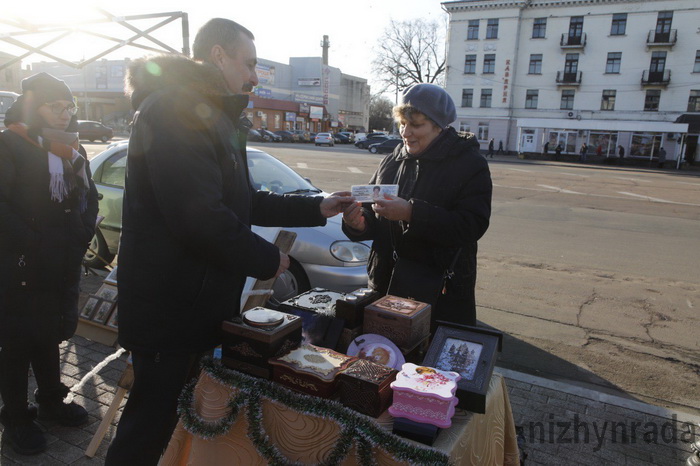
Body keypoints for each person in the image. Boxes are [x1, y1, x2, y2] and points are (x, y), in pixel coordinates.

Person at [104, 18, 353, 465]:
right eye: (250, 63)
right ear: (218, 55)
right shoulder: (175, 110)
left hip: (193, 304)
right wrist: (268, 258)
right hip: (169, 309)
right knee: (149, 424)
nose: (255, 76)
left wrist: (317, 206)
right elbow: (198, 216)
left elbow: (242, 201)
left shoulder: (209, 112)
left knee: (175, 419)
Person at [0, 73, 98, 455]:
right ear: (32, 106)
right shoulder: (9, 143)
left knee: (49, 332)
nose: (64, 114)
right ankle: (16, 418)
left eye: (69, 107)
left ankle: (51, 400)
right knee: (16, 341)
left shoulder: (73, 148)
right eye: (54, 106)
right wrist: (31, 241)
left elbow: (89, 199)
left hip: (62, 259)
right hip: (20, 262)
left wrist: (80, 235)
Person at [342, 83, 492, 329]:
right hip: (385, 284)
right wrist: (357, 223)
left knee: (428, 364)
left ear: (439, 126)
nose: (405, 132)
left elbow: (472, 225)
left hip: (438, 295)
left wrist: (412, 213)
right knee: (384, 356)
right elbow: (369, 212)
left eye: (416, 125)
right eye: (402, 124)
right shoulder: (392, 160)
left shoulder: (469, 164)